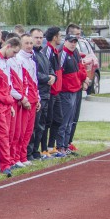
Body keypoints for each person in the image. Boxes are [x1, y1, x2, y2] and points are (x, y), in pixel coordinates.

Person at [0, 37, 20, 176]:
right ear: (8, 46)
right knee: (2, 134)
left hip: (6, 102)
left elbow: (7, 84)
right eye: (14, 52)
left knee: (1, 134)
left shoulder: (6, 61)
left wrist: (10, 103)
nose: (14, 56)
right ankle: (5, 164)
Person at [55, 34, 85, 156]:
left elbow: (79, 71)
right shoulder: (63, 54)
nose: (73, 44)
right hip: (66, 92)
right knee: (64, 120)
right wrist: (60, 89)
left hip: (74, 91)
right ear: (65, 41)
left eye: (75, 42)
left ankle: (66, 144)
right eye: (71, 41)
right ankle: (60, 146)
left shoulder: (74, 54)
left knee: (70, 121)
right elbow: (59, 73)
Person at [29, 28, 55, 160]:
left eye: (40, 37)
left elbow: (50, 68)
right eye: (36, 37)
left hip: (46, 94)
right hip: (37, 93)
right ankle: (31, 152)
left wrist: (53, 76)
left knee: (42, 124)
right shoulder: (31, 54)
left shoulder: (42, 53)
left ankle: (36, 150)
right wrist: (46, 78)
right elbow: (33, 74)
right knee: (34, 125)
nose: (39, 40)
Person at [14, 34, 39, 167]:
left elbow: (34, 81)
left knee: (29, 130)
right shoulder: (18, 59)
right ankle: (17, 156)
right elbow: (22, 82)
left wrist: (38, 97)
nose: (29, 46)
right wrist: (23, 98)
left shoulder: (32, 61)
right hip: (25, 100)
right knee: (21, 131)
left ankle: (23, 156)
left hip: (33, 99)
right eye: (26, 43)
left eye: (31, 43)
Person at [43, 27, 65, 156]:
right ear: (55, 37)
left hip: (57, 92)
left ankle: (52, 146)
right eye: (59, 36)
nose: (61, 38)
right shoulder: (48, 52)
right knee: (48, 120)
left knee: (58, 119)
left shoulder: (55, 51)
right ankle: (45, 148)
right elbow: (47, 70)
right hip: (50, 92)